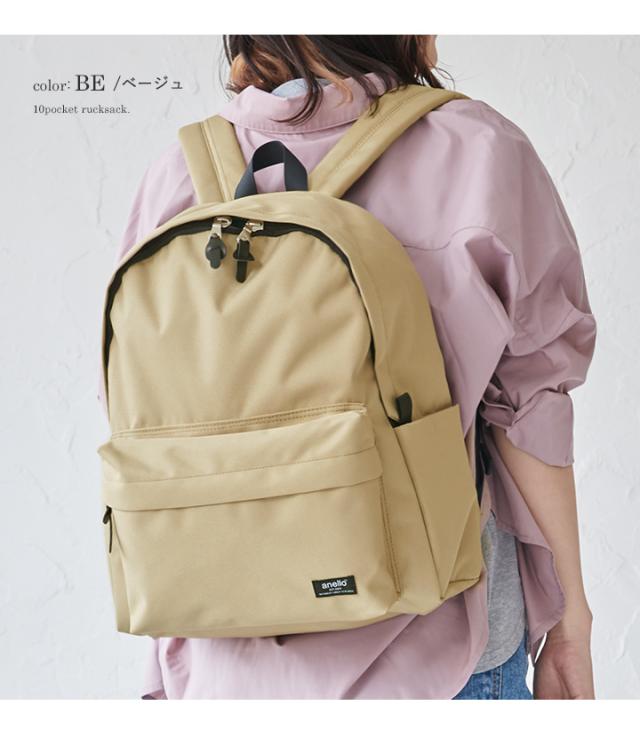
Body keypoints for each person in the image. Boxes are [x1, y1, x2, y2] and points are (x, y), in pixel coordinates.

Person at [105, 35, 597, 700]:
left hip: (219, 669)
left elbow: (144, 425)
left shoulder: (177, 174)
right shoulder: (477, 151)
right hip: (437, 663)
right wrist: (569, 624)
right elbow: (531, 413)